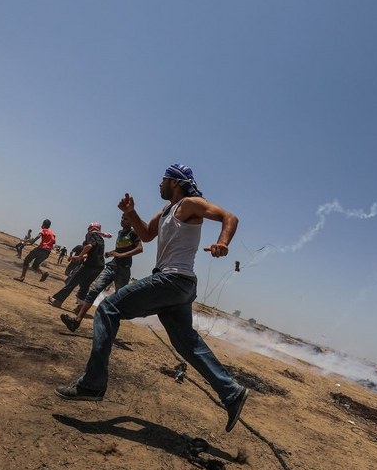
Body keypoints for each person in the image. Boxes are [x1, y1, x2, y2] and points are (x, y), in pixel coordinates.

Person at [55, 163, 249, 433]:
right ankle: (232, 392)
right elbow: (146, 234)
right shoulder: (167, 211)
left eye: (163, 179)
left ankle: (92, 383)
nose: (159, 184)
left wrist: (223, 242)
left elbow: (230, 217)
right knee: (186, 343)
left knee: (108, 308)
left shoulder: (190, 204)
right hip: (179, 286)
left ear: (175, 182)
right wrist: (131, 213)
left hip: (172, 279)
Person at [60, 214, 143, 332]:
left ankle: (111, 328)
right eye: (122, 218)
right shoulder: (120, 233)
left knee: (120, 299)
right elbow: (120, 249)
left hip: (123, 270)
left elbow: (139, 249)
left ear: (131, 221)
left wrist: (121, 255)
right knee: (94, 290)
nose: (122, 220)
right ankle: (76, 321)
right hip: (112, 266)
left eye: (126, 219)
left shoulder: (133, 233)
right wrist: (112, 253)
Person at [48, 223, 110, 308]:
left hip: (89, 265)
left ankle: (58, 301)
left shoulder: (90, 234)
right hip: (99, 266)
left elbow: (89, 246)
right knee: (85, 285)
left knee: (72, 283)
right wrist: (79, 257)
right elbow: (91, 253)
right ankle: (81, 305)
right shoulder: (101, 239)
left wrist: (79, 256)